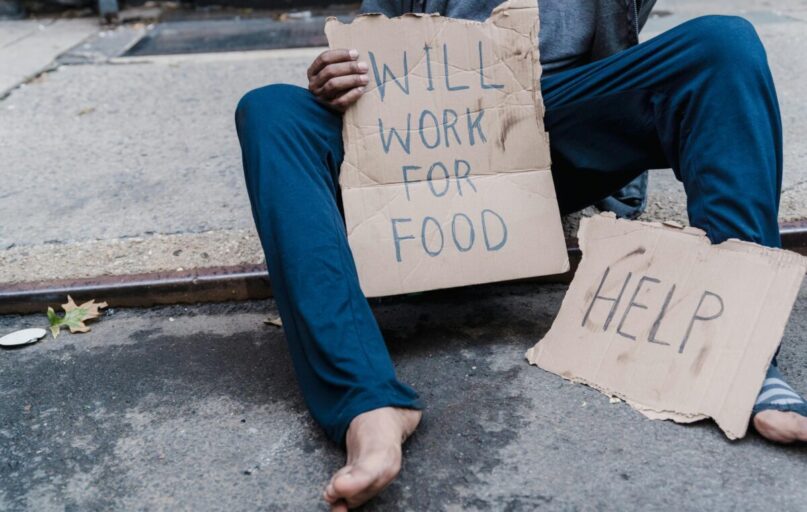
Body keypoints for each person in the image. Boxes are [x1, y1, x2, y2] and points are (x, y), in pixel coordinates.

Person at [235, 1, 807, 510]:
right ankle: (366, 403)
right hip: (425, 139)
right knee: (270, 111)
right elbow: (369, 46)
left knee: (723, 44)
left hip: (560, 125)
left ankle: (743, 357)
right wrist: (338, 77)